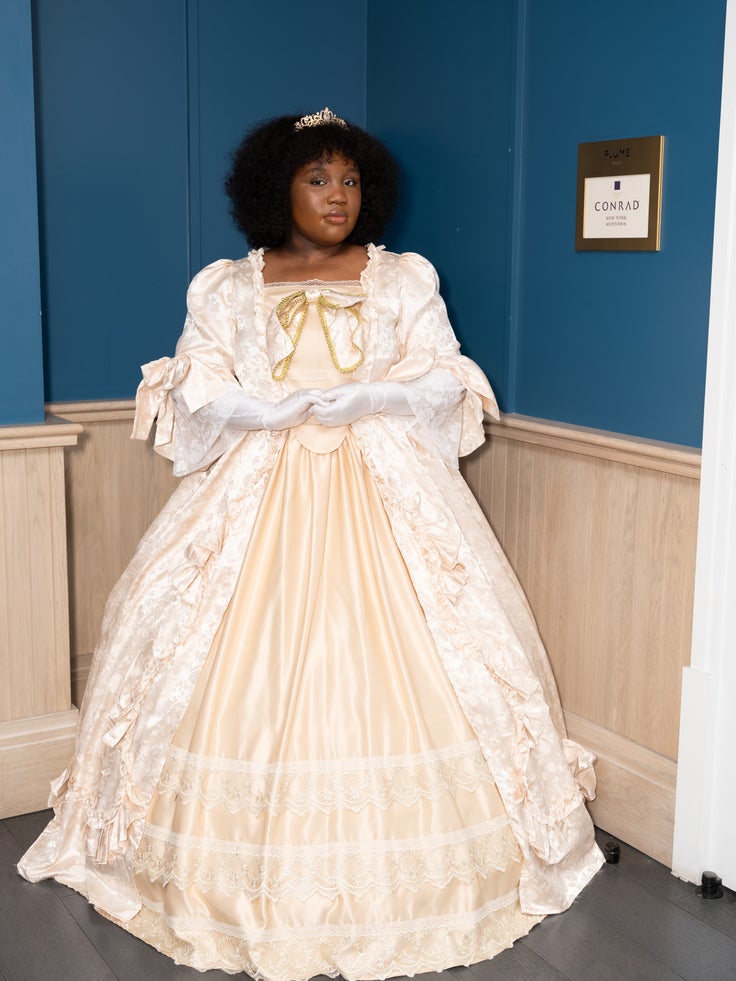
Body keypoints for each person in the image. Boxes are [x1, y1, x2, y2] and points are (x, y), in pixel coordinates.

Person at [19, 108, 603, 979]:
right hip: (255, 489)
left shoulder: (402, 276)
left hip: (383, 485)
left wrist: (372, 398)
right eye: (317, 179)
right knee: (211, 652)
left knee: (428, 649)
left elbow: (443, 374)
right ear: (276, 187)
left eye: (351, 180)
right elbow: (200, 379)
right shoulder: (226, 284)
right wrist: (256, 408)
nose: (337, 197)